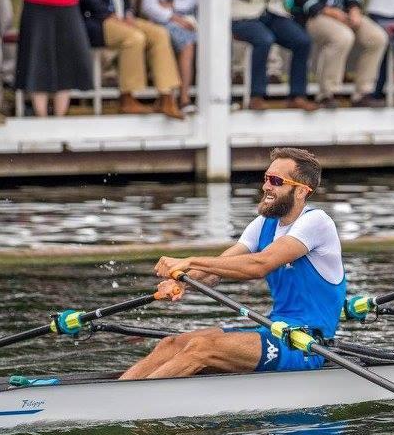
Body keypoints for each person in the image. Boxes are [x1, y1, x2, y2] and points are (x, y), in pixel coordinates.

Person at [120, 147, 347, 380]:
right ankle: (120, 391)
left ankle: (138, 400)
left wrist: (189, 261)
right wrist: (182, 282)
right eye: (266, 178)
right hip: (275, 330)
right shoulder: (263, 224)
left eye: (276, 181)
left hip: (306, 344)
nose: (266, 186)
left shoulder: (317, 222)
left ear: (301, 191)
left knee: (201, 349)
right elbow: (218, 269)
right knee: (171, 344)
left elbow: (259, 265)